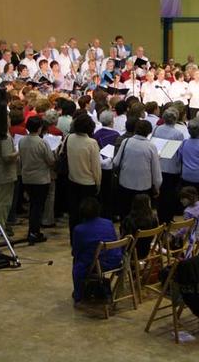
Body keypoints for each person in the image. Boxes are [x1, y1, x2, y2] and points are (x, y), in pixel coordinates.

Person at [71, 197, 122, 304]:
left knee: (77, 262)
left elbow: (76, 251)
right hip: (116, 261)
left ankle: (78, 294)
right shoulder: (108, 223)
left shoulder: (79, 229)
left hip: (98, 264)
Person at [112, 119, 162, 220]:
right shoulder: (151, 147)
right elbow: (156, 171)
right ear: (149, 132)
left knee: (126, 213)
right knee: (141, 215)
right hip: (143, 187)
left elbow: (116, 162)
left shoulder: (126, 142)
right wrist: (157, 187)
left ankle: (125, 229)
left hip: (125, 184)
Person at [64, 113, 102, 241]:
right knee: (88, 214)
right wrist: (98, 183)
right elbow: (96, 167)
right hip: (88, 183)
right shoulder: (92, 143)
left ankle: (74, 238)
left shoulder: (69, 138)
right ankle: (88, 239)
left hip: (72, 180)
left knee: (74, 213)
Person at [19, 116, 54, 244]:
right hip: (40, 179)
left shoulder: (22, 140)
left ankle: (32, 230)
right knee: (38, 207)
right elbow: (50, 160)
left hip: (27, 177)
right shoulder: (42, 143)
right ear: (39, 128)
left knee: (33, 205)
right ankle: (34, 231)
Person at [151, 107, 184, 224]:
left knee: (160, 194)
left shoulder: (157, 129)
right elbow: (180, 152)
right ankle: (168, 219)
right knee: (170, 194)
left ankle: (161, 217)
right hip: (171, 167)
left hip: (158, 165)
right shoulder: (178, 133)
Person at [120, 194, 159, 260]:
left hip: (131, 253)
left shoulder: (129, 220)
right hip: (146, 251)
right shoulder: (154, 219)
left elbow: (124, 239)